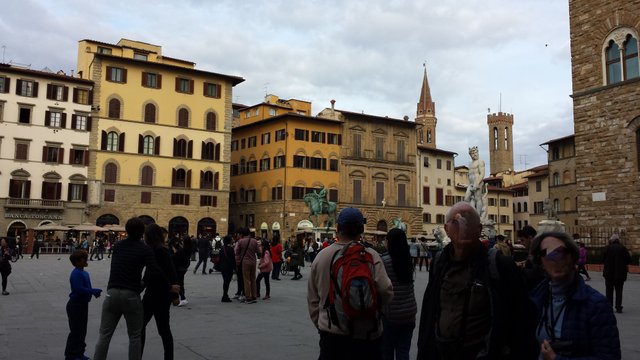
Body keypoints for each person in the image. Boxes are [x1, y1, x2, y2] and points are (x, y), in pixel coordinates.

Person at [417, 202, 538, 360]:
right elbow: (429, 312)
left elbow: (522, 320)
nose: (464, 226)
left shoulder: (500, 265)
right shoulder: (439, 264)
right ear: (446, 230)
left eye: (469, 221)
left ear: (480, 229)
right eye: (456, 222)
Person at [307, 207, 393, 360]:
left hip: (332, 335)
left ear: (338, 228)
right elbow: (386, 292)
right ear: (361, 229)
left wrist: (324, 323)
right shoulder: (372, 255)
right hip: (368, 336)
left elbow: (313, 299)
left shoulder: (322, 257)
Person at [93, 217, 177, 360]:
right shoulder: (145, 249)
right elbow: (154, 271)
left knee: (105, 335)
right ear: (141, 232)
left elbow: (162, 272)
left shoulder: (119, 246)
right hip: (139, 294)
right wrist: (171, 287)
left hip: (118, 293)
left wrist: (172, 292)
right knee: (136, 334)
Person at [530, 232, 621, 359]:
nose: (556, 259)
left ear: (572, 257)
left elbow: (609, 357)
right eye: (547, 254)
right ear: (540, 262)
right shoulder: (535, 299)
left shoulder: (596, 304)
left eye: (561, 252)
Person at [141, 224, 180, 360]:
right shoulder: (153, 249)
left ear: (150, 236)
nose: (143, 237)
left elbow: (171, 272)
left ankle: (168, 357)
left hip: (160, 294)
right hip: (154, 293)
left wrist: (175, 295)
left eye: (145, 234)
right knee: (154, 328)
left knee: (162, 329)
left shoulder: (160, 250)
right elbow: (148, 274)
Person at [381, 229, 417, 360]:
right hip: (409, 312)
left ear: (389, 242)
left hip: (391, 314)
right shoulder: (408, 259)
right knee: (403, 350)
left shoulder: (384, 261)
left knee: (387, 350)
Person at [64, 249, 102, 360]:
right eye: (84, 259)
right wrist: (92, 291)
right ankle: (71, 354)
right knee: (76, 331)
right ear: (77, 261)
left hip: (83, 304)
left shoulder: (84, 272)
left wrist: (92, 293)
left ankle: (79, 353)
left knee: (82, 331)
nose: (86, 260)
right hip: (75, 305)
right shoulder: (76, 273)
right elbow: (78, 289)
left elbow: (85, 287)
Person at [602, 234, 631, 313]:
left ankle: (609, 306)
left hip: (608, 273)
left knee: (609, 291)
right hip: (620, 274)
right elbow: (628, 260)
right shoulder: (623, 248)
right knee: (619, 291)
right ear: (618, 240)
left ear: (611, 240)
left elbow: (602, 259)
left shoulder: (607, 248)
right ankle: (618, 307)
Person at [236, 227, 259, 304]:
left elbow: (237, 253)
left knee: (246, 280)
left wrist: (238, 262)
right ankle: (254, 295)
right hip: (253, 261)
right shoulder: (254, 241)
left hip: (245, 262)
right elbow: (258, 252)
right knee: (253, 279)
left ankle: (248, 297)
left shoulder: (241, 241)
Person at [170, 235, 192, 307]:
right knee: (180, 282)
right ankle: (180, 298)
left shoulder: (183, 250)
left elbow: (177, 257)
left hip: (179, 268)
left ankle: (183, 298)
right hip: (183, 268)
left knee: (178, 283)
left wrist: (175, 251)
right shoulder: (188, 248)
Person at [218, 235, 236, 302]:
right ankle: (225, 295)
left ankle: (225, 295)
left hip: (223, 267)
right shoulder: (231, 249)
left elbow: (220, 258)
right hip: (229, 267)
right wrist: (235, 268)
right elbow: (233, 259)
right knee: (227, 282)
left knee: (225, 281)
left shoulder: (222, 248)